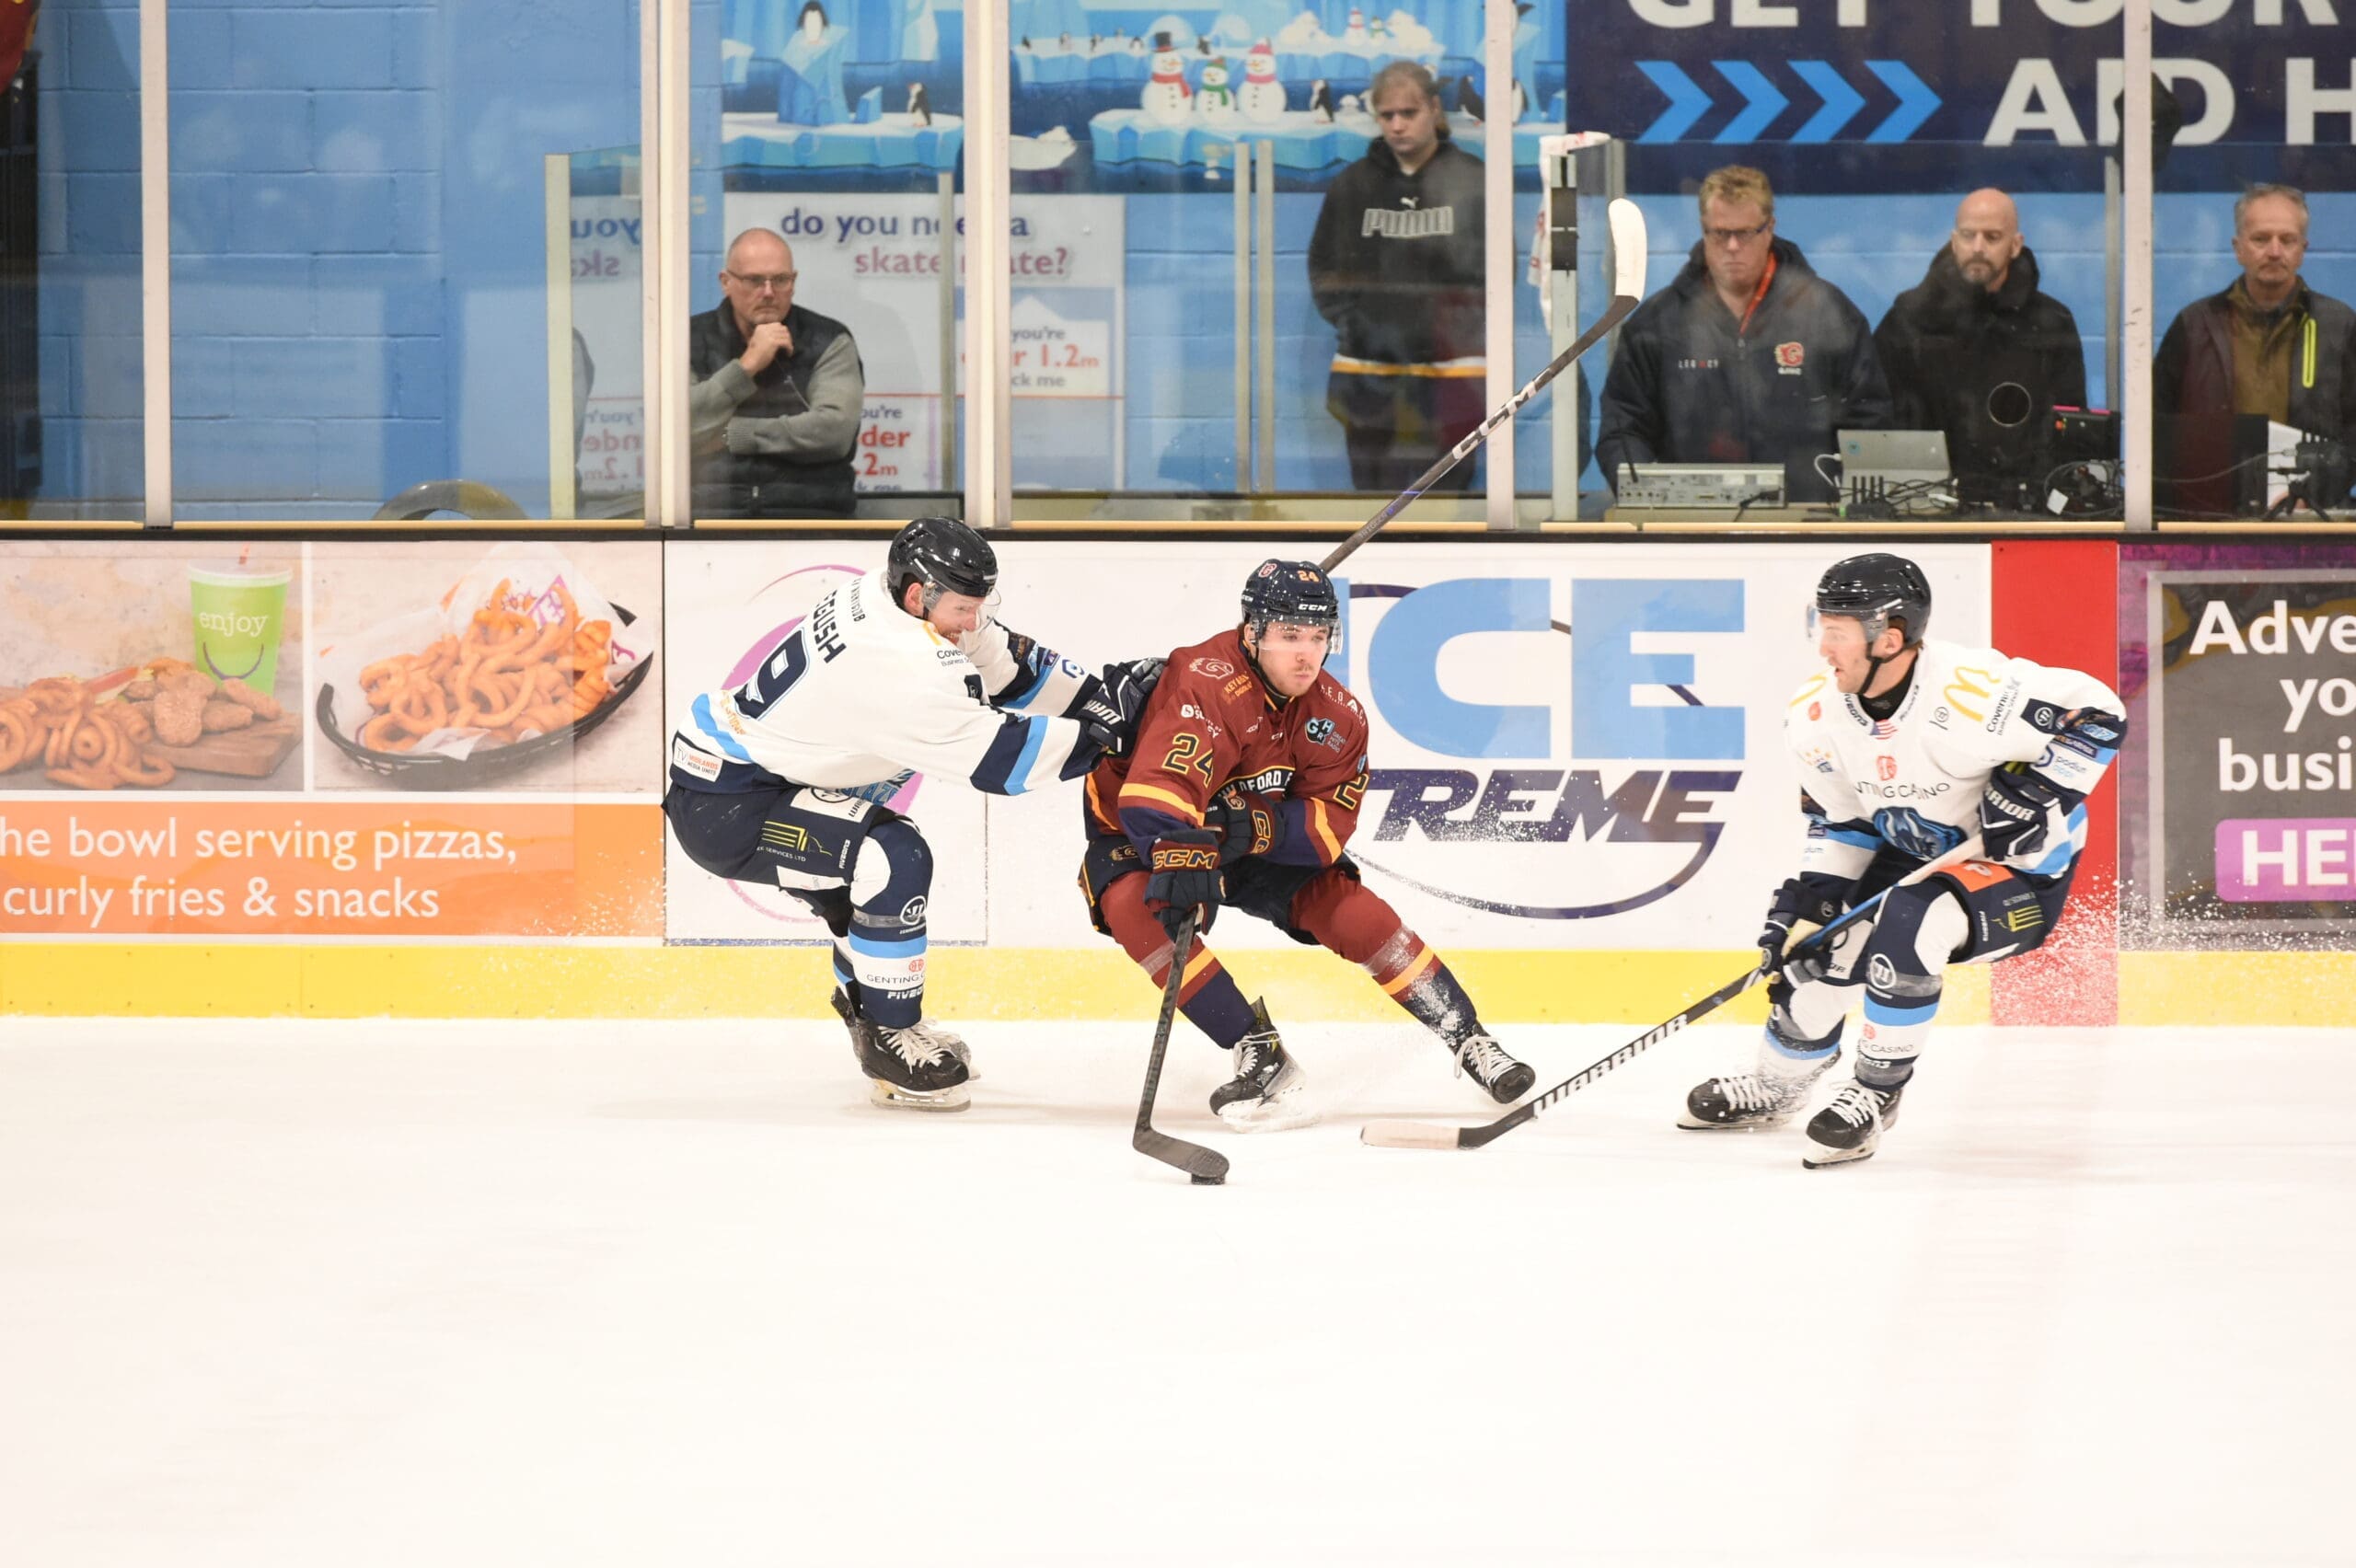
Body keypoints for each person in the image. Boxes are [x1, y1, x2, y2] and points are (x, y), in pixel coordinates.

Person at [664, 517, 1162, 1112]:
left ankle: (873, 1018)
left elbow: (1012, 666)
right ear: (918, 596)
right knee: (892, 857)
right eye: (962, 609)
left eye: (980, 604)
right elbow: (1001, 760)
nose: (973, 621)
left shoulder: (899, 599)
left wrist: (1102, 698)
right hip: (727, 804)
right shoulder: (898, 664)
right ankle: (888, 1036)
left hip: (756, 775)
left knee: (863, 886)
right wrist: (1109, 737)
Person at [1679, 553, 2126, 1167]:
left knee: (1914, 918)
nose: (1823, 648)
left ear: (1888, 639)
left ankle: (1875, 1093)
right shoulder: (1815, 716)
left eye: (1837, 633)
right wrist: (1816, 898)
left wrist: (2036, 793)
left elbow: (2100, 715)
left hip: (2018, 868)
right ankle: (1779, 1087)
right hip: (1913, 848)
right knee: (1821, 954)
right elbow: (1843, 822)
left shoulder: (1977, 696)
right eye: (1822, 628)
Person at [1076, 559, 1537, 1132]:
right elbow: (1161, 787)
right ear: (1252, 632)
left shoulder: (1339, 716)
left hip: (1242, 842)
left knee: (1353, 911)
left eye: (1318, 637)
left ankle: (1468, 1038)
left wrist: (1257, 828)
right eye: (1289, 634)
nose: (1306, 654)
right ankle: (1257, 1049)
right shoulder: (1204, 677)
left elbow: (1329, 824)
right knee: (1135, 911)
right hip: (1145, 832)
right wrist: (1180, 851)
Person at [1596, 165, 1892, 504]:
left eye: (1745, 233)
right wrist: (1649, 497)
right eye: (1719, 233)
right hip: (1692, 528)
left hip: (1808, 522)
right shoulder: (1659, 322)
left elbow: (1870, 421)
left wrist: (1844, 501)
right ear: (1703, 231)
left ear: (1770, 229)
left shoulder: (1828, 313)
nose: (1732, 246)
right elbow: (1623, 429)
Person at [1309, 62, 1486, 492]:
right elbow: (1324, 270)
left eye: (1409, 113)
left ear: (1435, 110)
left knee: (1447, 520)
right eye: (1387, 115)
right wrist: (1362, 327)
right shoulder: (1353, 185)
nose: (1398, 125)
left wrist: (1454, 332)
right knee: (1373, 513)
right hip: (1369, 374)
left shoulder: (1471, 179)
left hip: (1453, 374)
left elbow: (1495, 273)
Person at [1873, 189, 2088, 508]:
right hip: (1924, 508)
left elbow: (2070, 428)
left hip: (2026, 512)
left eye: (1992, 237)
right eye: (1968, 235)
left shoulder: (2051, 323)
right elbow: (1879, 421)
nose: (1977, 248)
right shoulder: (1909, 319)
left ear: (2015, 244)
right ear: (1953, 240)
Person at [2155, 185, 2356, 519]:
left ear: (2303, 249)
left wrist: (2312, 495)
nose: (2274, 251)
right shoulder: (2194, 325)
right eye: (2261, 239)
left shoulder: (2340, 326)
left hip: (2313, 520)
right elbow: (2158, 427)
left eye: (2287, 240)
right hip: (2209, 521)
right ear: (2238, 248)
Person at [689, 228, 865, 519]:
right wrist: (746, 367)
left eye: (780, 280)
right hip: (708, 520)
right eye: (754, 280)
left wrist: (736, 434)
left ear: (793, 282)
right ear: (726, 282)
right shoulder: (689, 339)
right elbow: (677, 427)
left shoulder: (828, 339)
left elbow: (834, 431)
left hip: (813, 519)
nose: (769, 292)